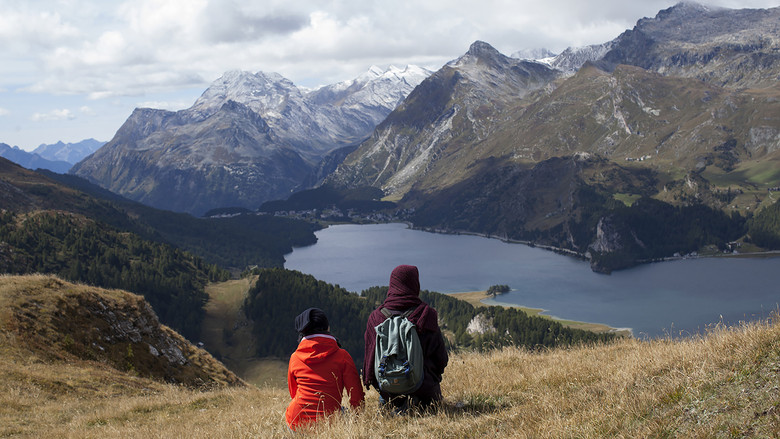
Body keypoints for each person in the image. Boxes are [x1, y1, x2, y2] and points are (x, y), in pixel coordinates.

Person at [363, 264, 449, 413]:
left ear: (392, 284)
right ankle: (417, 402)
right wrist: (432, 379)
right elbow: (441, 359)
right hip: (424, 389)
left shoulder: (376, 318)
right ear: (415, 284)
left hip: (388, 390)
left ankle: (393, 404)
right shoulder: (426, 315)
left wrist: (379, 386)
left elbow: (369, 362)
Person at [285, 307, 364, 431]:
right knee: (344, 411)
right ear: (328, 328)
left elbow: (293, 393)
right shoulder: (342, 356)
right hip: (329, 422)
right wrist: (357, 422)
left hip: (296, 421)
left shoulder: (295, 357)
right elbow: (356, 395)